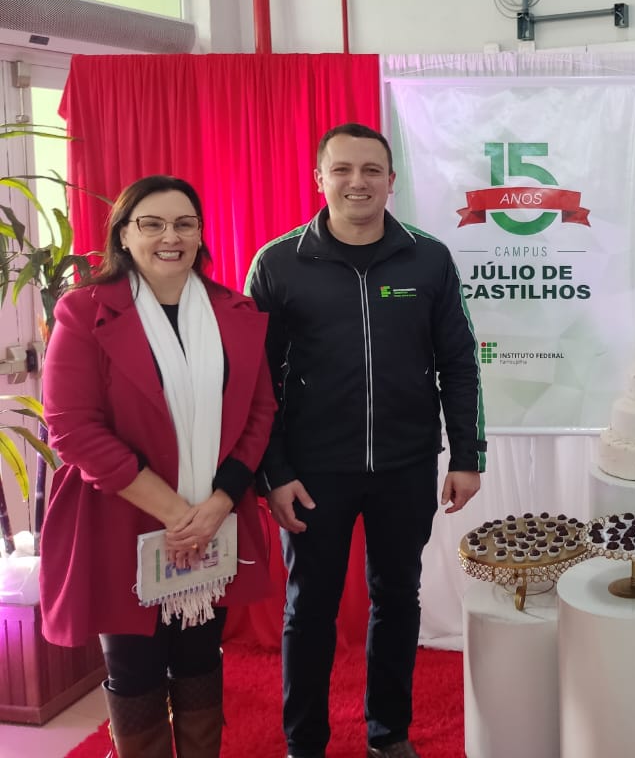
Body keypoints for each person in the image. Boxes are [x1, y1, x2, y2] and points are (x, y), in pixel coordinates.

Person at [246, 123, 485, 758]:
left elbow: (458, 362)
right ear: (319, 179)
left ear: (390, 180)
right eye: (343, 170)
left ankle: (389, 734)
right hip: (312, 473)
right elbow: (253, 381)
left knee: (397, 598)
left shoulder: (428, 258)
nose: (358, 182)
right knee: (309, 609)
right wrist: (274, 472)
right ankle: (304, 742)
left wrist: (467, 455)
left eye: (372, 170)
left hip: (406, 465)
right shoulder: (278, 263)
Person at [40, 175, 276, 758]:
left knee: (200, 656)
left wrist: (218, 502)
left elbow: (259, 412)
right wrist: (176, 513)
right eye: (152, 224)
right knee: (134, 667)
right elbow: (72, 426)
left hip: (213, 517)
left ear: (199, 234)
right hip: (121, 516)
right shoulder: (85, 311)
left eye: (184, 224)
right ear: (124, 234)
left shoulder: (234, 311)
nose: (171, 237)